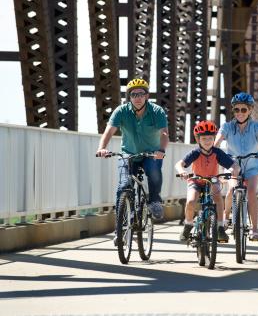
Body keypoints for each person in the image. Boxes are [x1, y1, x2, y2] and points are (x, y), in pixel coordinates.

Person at [96, 78, 168, 244]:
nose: (137, 97)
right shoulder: (121, 111)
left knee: (154, 172)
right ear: (129, 97)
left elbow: (164, 134)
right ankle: (119, 230)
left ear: (147, 96)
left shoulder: (156, 111)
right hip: (128, 154)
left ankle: (155, 200)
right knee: (123, 186)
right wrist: (102, 148)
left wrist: (161, 150)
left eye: (141, 94)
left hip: (151, 153)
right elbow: (109, 131)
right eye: (133, 94)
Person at [214, 92, 258, 242]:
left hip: (252, 166)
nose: (240, 113)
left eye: (244, 110)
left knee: (252, 192)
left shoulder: (256, 126)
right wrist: (213, 148)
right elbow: (218, 141)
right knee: (232, 189)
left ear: (250, 110)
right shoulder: (227, 126)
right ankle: (226, 218)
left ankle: (255, 230)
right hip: (233, 165)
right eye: (237, 109)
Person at [175, 120, 240, 243]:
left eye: (210, 138)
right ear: (198, 139)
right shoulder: (195, 153)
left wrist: (232, 170)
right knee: (190, 201)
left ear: (214, 138)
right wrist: (182, 170)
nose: (207, 141)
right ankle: (188, 225)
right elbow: (179, 164)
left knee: (218, 198)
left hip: (212, 180)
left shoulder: (217, 152)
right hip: (196, 180)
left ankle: (220, 227)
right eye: (204, 138)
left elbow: (234, 165)